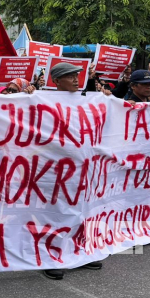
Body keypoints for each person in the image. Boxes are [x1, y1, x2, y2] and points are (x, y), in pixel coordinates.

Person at [41, 62, 104, 280]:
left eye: (77, 75)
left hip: (81, 169)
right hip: (54, 169)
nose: (76, 79)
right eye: (69, 76)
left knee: (80, 212)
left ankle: (77, 254)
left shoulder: (86, 101)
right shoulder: (43, 101)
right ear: (56, 81)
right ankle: (50, 258)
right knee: (54, 214)